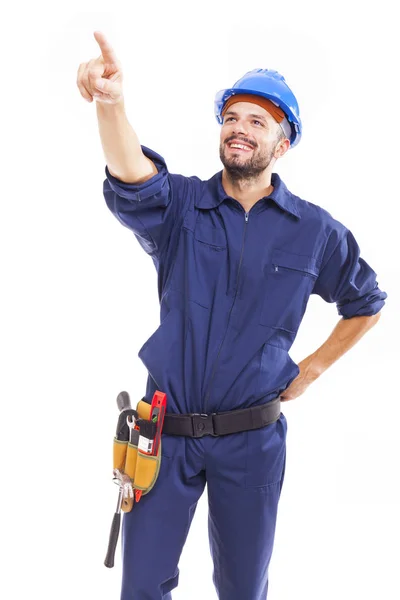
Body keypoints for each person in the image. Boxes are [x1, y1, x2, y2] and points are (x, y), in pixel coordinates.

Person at [77, 31, 387, 600]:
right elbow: (131, 171)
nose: (239, 128)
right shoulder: (182, 208)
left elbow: (365, 302)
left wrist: (313, 367)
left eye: (257, 121)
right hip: (164, 432)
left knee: (244, 588)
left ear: (283, 142)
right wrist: (111, 104)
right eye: (232, 117)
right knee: (142, 586)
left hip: (252, 438)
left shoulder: (315, 232)